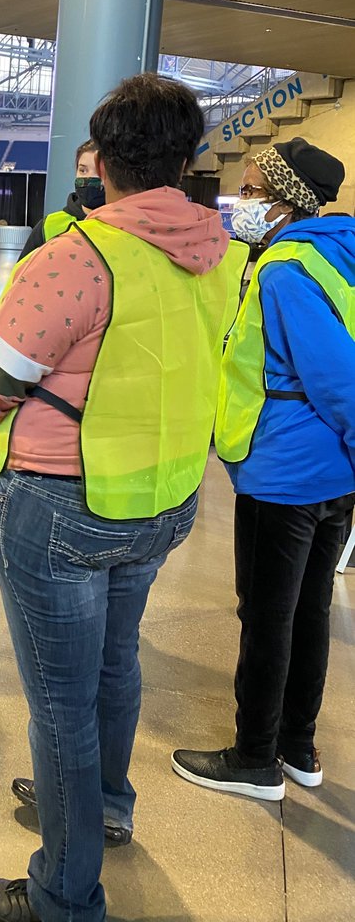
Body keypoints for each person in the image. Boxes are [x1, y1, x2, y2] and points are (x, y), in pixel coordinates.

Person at [0, 73, 246, 922]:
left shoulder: (76, 256)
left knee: (61, 705)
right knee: (115, 667)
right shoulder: (224, 256)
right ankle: (108, 807)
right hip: (162, 502)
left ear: (103, 159)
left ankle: (63, 893)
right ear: (187, 157)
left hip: (62, 509)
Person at [172, 139, 355, 801]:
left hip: (286, 471)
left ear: (287, 203)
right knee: (308, 613)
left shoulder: (286, 269)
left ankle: (255, 759)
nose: (239, 201)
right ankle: (297, 747)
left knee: (269, 615)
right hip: (331, 474)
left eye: (251, 190)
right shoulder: (339, 254)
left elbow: (338, 378)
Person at [20, 139, 103, 260]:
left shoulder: (123, 225)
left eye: (99, 172)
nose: (89, 178)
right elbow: (22, 274)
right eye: (83, 170)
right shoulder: (48, 225)